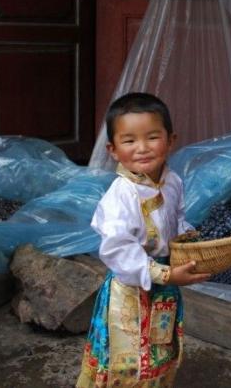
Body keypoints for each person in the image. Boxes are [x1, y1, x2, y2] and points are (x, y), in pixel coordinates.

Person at [76, 92, 210, 387]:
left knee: (159, 353)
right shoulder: (121, 194)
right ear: (113, 150)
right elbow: (117, 249)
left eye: (152, 137)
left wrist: (188, 243)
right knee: (128, 364)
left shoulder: (172, 182)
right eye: (129, 141)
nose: (142, 148)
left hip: (164, 288)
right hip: (131, 291)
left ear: (170, 140)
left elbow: (177, 219)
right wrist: (165, 273)